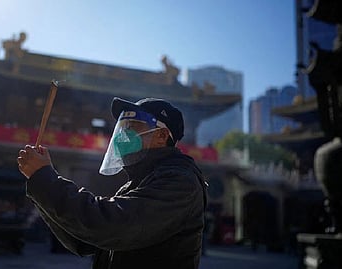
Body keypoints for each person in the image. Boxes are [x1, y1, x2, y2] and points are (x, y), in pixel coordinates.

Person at [18, 97, 207, 269]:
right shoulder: (135, 184)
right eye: (123, 127)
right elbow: (84, 242)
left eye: (133, 126)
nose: (123, 135)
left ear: (161, 136)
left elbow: (110, 225)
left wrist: (45, 179)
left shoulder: (180, 181)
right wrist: (40, 186)